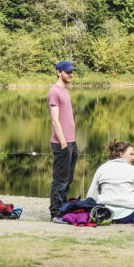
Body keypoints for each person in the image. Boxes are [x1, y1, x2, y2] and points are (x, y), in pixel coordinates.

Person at [86, 139, 134, 224]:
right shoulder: (133, 170)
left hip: (104, 215)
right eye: (131, 154)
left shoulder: (101, 169)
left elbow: (90, 196)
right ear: (121, 154)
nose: (133, 158)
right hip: (128, 216)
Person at [47, 60, 78, 220]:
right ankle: (56, 212)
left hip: (71, 141)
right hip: (62, 143)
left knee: (68, 178)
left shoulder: (65, 91)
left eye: (72, 71)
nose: (71, 74)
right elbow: (55, 120)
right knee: (60, 179)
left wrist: (71, 141)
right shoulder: (54, 91)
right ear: (59, 72)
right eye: (67, 72)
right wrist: (64, 142)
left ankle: (63, 208)